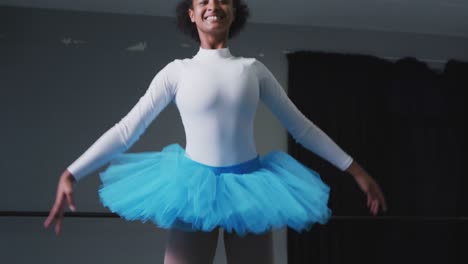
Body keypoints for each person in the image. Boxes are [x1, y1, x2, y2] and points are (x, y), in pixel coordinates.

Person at [44, 0, 388, 263]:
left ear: (234, 12)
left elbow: (303, 128)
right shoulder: (176, 72)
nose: (213, 4)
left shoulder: (253, 70)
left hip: (250, 187)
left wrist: (356, 170)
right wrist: (71, 172)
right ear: (191, 13)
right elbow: (126, 131)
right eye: (203, 0)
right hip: (194, 189)